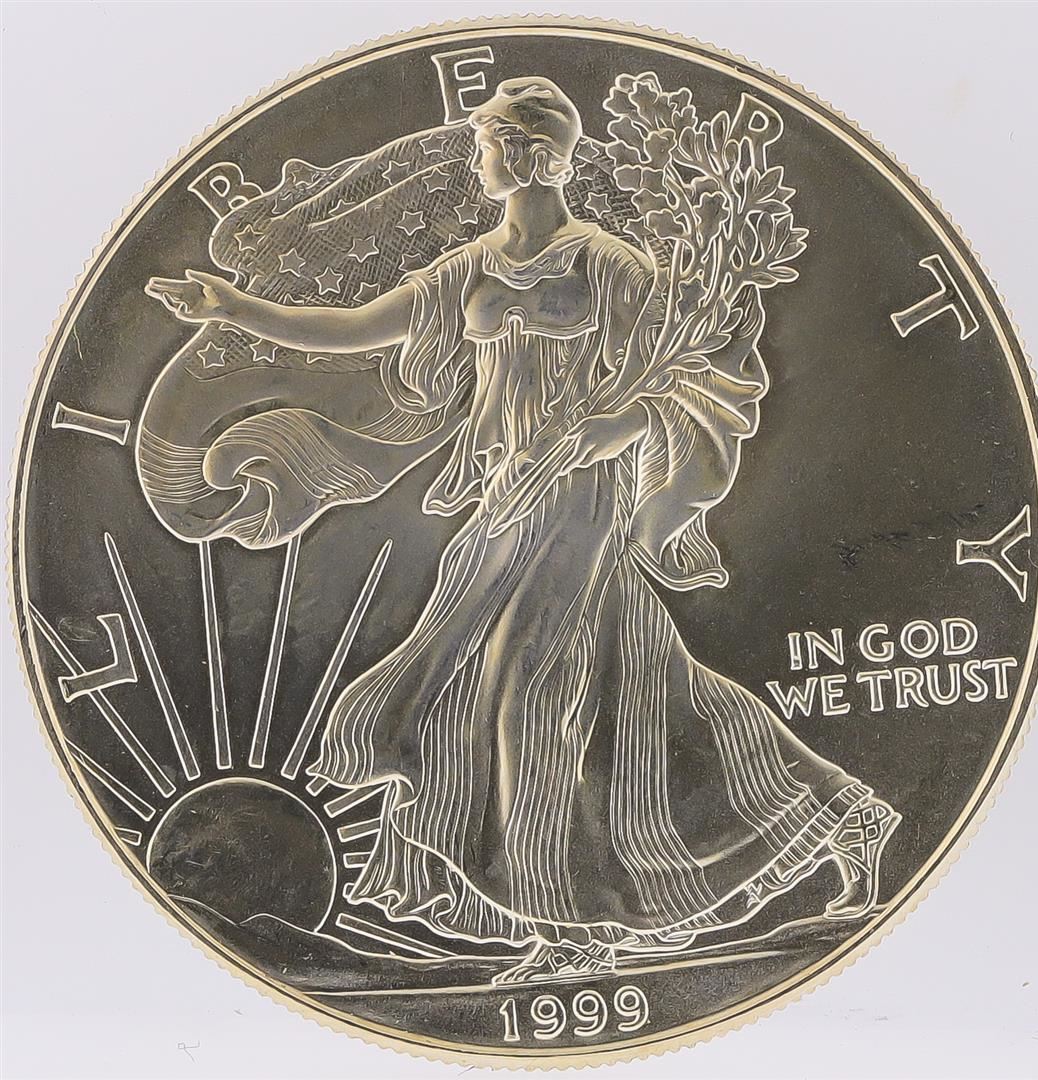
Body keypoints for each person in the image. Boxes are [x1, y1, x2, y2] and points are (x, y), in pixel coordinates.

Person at [147, 77, 900, 985]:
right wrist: (232, 309)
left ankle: (570, 925)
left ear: (533, 156)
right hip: (505, 495)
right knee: (637, 683)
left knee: (524, 695)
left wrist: (614, 427)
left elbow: (693, 370)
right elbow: (353, 328)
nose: (478, 162)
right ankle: (836, 816)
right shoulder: (469, 265)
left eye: (487, 145)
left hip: (580, 497)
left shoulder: (609, 265)